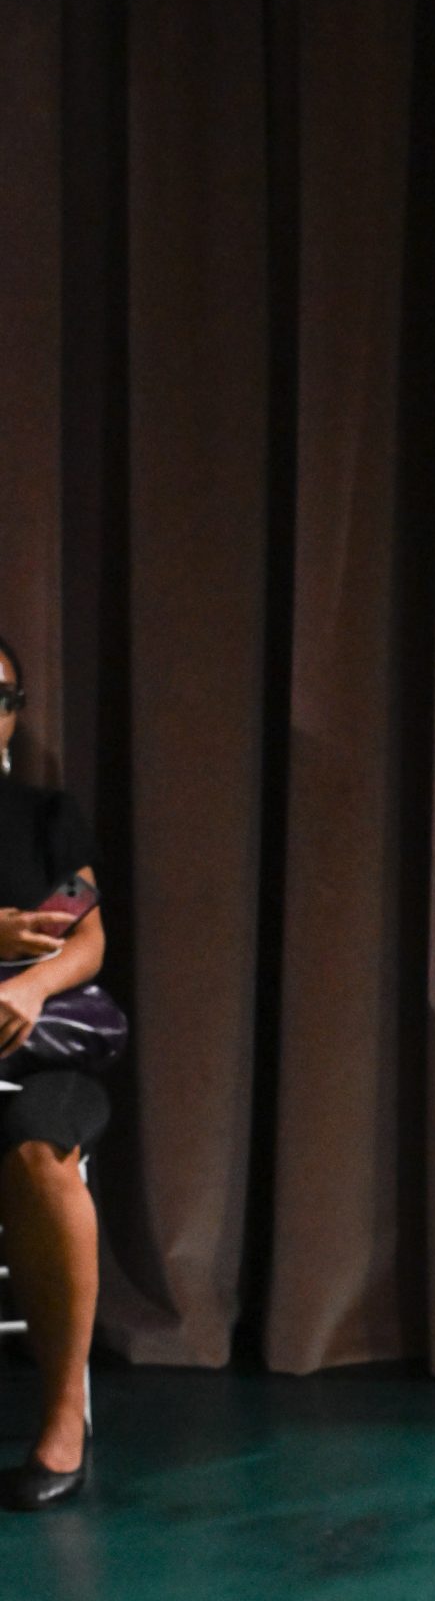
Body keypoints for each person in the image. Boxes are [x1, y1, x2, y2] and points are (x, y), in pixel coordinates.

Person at [0, 636, 113, 1510]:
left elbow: (85, 935)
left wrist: (32, 985)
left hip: (34, 1048)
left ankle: (63, 1420)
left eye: (3, 697)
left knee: (44, 1146)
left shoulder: (45, 816)